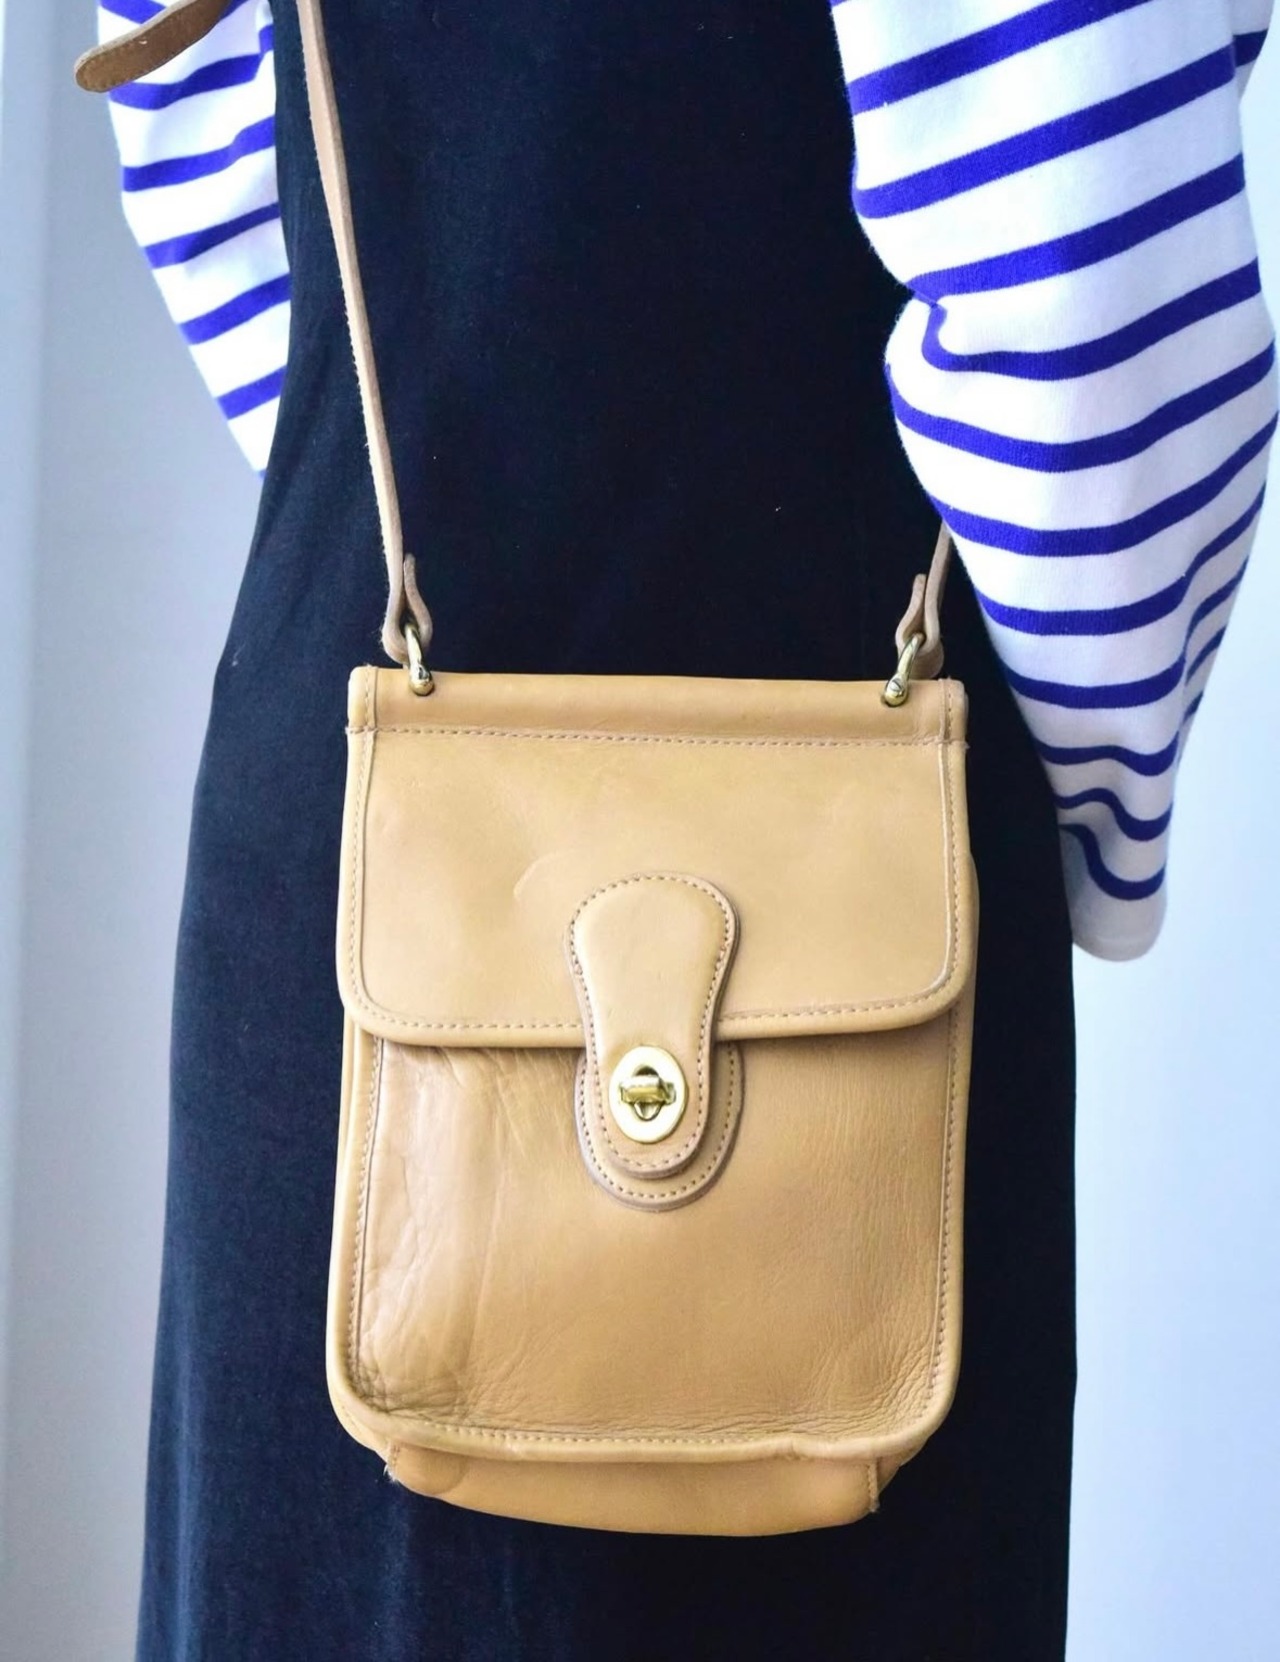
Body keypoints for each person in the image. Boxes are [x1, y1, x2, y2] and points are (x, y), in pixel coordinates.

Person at [87, 1, 1275, 1657]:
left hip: (366, 824)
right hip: (856, 882)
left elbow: (203, 121)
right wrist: (1089, 815)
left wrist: (394, 473)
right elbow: (1088, 273)